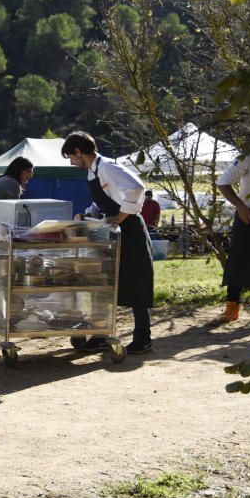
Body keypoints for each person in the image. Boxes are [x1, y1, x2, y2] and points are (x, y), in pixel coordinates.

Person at [63, 131, 153, 354]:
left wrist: (120, 218)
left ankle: (143, 338)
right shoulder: (92, 173)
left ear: (78, 151)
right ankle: (101, 334)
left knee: (136, 282)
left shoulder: (108, 167)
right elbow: (103, 204)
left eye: (71, 158)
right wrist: (85, 215)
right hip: (112, 232)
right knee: (104, 282)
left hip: (131, 230)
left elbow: (137, 189)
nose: (72, 163)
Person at [213, 130, 250, 322]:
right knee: (239, 259)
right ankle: (232, 307)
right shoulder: (249, 156)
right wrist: (240, 206)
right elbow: (223, 183)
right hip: (249, 214)